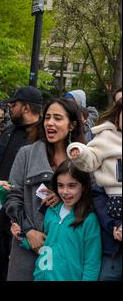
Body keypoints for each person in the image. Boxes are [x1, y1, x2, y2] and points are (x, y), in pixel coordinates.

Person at [5, 97, 86, 281]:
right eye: (47, 117)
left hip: (66, 251)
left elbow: (92, 200)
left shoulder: (84, 159)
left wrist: (63, 194)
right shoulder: (26, 154)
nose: (50, 122)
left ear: (72, 125)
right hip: (27, 248)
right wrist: (28, 231)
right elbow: (12, 196)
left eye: (58, 118)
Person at [11, 160, 101, 280]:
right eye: (60, 185)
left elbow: (92, 263)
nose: (65, 191)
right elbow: (46, 246)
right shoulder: (51, 211)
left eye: (72, 186)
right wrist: (21, 236)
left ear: (83, 187)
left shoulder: (89, 220)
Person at [0, 86, 42, 281]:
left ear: (26, 108)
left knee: (20, 262)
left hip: (23, 213)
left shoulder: (42, 136)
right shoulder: (8, 130)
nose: (10, 107)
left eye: (14, 104)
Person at [67, 98, 122, 280]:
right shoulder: (106, 137)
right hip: (114, 201)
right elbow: (91, 157)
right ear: (117, 116)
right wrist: (79, 152)